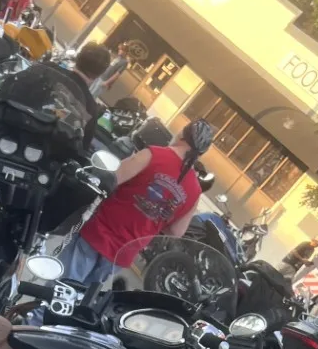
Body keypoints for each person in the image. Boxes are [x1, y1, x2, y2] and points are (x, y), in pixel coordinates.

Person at [63, 119, 216, 289]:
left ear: (182, 135)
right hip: (124, 252)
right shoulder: (195, 190)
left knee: (60, 288)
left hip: (100, 231)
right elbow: (176, 231)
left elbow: (112, 179)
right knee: (81, 297)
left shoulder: (154, 154)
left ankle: (37, 316)